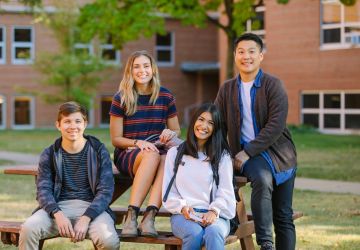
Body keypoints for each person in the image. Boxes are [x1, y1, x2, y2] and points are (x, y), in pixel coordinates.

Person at [215, 33, 297, 250]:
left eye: (252, 51)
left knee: (283, 215)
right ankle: (266, 243)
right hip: (249, 156)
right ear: (234, 56)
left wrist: (247, 152)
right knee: (261, 178)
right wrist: (222, 155)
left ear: (261, 56)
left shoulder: (273, 85)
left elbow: (276, 126)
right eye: (241, 52)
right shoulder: (227, 89)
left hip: (280, 154)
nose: (246, 56)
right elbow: (217, 124)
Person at [19, 101, 120, 250]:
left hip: (92, 209)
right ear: (58, 125)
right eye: (67, 121)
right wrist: (57, 214)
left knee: (109, 241)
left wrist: (86, 218)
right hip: (57, 208)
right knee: (28, 229)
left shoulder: (98, 150)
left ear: (85, 124)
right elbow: (43, 190)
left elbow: (106, 190)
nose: (73, 126)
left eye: (78, 121)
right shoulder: (49, 153)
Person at [109, 50, 181, 237]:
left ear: (153, 69)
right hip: (129, 152)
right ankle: (131, 215)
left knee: (166, 159)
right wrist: (137, 142)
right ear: (130, 71)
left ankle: (149, 217)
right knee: (152, 155)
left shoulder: (165, 96)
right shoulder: (121, 97)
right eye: (137, 66)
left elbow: (177, 131)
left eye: (146, 66)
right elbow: (116, 139)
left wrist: (169, 133)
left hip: (158, 150)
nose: (142, 70)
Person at [162, 103, 236, 250]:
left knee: (213, 232)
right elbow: (169, 192)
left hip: (216, 216)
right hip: (183, 216)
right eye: (201, 119)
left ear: (216, 129)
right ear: (194, 121)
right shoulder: (175, 153)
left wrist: (214, 211)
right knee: (194, 232)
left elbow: (226, 191)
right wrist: (183, 207)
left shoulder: (222, 157)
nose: (204, 126)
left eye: (210, 123)